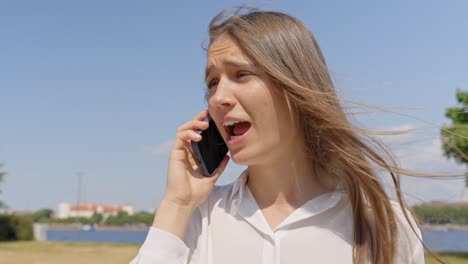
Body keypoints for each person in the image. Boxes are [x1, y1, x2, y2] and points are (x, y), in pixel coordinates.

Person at [130, 8, 426, 264]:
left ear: (295, 85)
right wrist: (176, 204)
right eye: (212, 83)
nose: (219, 97)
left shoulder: (387, 224)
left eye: (241, 74)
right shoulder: (195, 218)